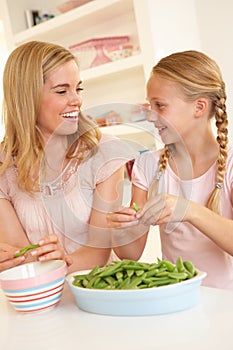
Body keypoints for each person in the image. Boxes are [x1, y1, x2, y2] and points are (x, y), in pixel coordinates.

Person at [0, 41, 136, 273]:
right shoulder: (3, 165)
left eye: (78, 89)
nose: (77, 100)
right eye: (62, 91)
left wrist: (62, 260)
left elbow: (98, 254)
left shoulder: (104, 152)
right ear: (27, 97)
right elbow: (19, 256)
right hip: (38, 297)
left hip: (98, 290)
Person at [107, 50, 233, 290]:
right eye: (149, 105)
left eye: (160, 106)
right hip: (176, 297)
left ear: (199, 107)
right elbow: (129, 255)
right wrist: (123, 228)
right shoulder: (147, 166)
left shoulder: (230, 165)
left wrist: (190, 211)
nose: (151, 116)